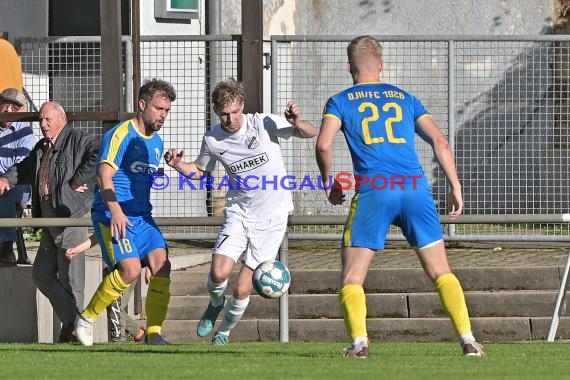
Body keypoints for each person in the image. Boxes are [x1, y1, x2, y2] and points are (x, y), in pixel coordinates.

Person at [315, 35, 485, 358]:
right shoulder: (406, 98)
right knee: (441, 271)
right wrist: (455, 185)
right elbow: (441, 143)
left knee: (352, 277)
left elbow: (323, 145)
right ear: (381, 65)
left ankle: (360, 344)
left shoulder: (339, 101)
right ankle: (468, 340)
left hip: (375, 190)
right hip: (415, 189)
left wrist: (329, 182)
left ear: (349, 67)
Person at [164, 78, 317, 346]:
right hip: (239, 213)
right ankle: (215, 303)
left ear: (242, 106)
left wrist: (296, 122)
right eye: (224, 114)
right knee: (218, 273)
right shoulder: (212, 139)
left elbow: (310, 132)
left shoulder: (263, 123)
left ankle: (224, 330)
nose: (231, 118)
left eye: (235, 112)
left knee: (243, 287)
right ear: (216, 112)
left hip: (272, 218)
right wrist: (177, 164)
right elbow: (199, 172)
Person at [74, 78, 176, 346]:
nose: (163, 116)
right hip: (111, 215)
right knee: (130, 270)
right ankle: (86, 318)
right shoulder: (119, 134)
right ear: (142, 105)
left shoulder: (156, 143)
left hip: (142, 218)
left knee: (162, 267)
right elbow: (104, 176)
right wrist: (116, 210)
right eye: (158, 109)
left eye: (166, 111)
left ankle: (153, 334)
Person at [0, 100, 98, 343]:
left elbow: (99, 154)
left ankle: (72, 334)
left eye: (48, 119)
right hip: (48, 219)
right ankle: (77, 324)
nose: (43, 124)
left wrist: (78, 181)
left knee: (71, 281)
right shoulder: (42, 147)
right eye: (41, 119)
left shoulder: (77, 139)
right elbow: (23, 168)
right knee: (42, 274)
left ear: (62, 119)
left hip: (71, 217)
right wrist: (6, 180)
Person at [66, 235, 146, 343]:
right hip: (109, 267)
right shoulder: (105, 221)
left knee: (116, 307)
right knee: (110, 305)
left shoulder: (127, 221)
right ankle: (138, 334)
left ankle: (119, 341)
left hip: (127, 270)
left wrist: (150, 269)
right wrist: (77, 249)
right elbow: (98, 236)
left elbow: (145, 236)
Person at [0, 88, 35, 266]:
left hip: (18, 183)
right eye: (5, 104)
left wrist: (4, 179)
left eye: (14, 107)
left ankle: (6, 249)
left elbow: (22, 166)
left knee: (5, 194)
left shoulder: (25, 131)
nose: (7, 110)